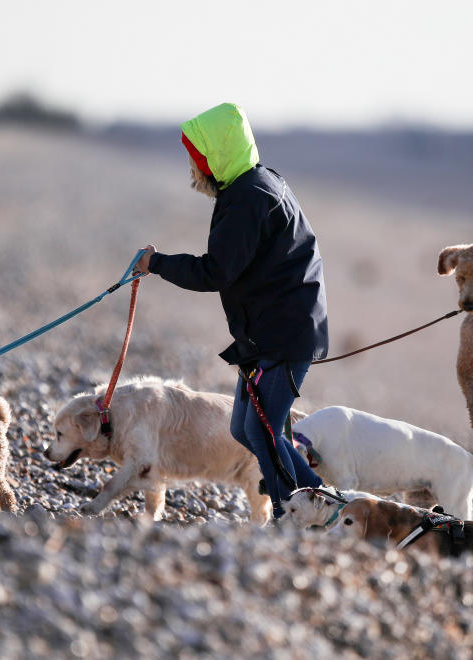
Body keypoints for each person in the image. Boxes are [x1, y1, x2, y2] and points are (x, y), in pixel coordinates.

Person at [135, 102, 328, 520]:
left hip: (284, 334)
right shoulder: (255, 184)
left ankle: (300, 512)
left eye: (196, 156)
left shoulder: (247, 197)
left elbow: (216, 271)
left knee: (262, 429)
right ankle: (317, 502)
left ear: (215, 157)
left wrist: (157, 263)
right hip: (271, 332)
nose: (191, 166)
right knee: (244, 428)